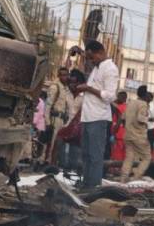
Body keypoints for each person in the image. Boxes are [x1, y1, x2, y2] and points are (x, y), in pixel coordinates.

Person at [76, 40, 119, 188]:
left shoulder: (110, 69)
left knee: (95, 156)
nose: (90, 61)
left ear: (100, 52)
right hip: (88, 117)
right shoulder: (97, 67)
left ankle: (93, 186)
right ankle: (86, 183)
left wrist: (88, 88)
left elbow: (110, 96)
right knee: (86, 154)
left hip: (98, 118)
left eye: (92, 57)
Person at [121, 85, 151, 182]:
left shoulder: (130, 103)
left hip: (128, 134)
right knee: (147, 157)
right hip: (138, 136)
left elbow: (123, 118)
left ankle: (124, 177)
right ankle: (135, 177)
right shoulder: (143, 104)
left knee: (129, 157)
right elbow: (140, 118)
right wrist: (148, 120)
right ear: (145, 94)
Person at [44, 67, 72, 164]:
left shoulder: (66, 88)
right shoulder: (55, 87)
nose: (65, 77)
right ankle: (46, 162)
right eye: (63, 75)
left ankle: (52, 162)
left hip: (62, 120)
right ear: (59, 76)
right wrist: (47, 122)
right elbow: (48, 105)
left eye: (66, 75)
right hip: (54, 119)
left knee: (57, 143)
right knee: (51, 142)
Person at [110, 91, 128, 162]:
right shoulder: (125, 106)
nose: (118, 98)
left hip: (119, 133)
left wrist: (114, 133)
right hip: (121, 133)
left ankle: (116, 169)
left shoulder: (121, 107)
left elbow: (120, 120)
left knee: (117, 153)